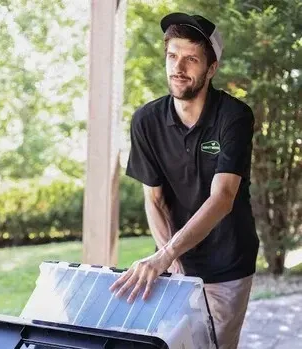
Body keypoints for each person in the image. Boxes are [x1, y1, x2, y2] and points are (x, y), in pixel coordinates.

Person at [109, 12, 259, 349]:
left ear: (212, 68)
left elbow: (223, 197)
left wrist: (163, 256)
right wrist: (171, 260)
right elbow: (155, 199)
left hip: (228, 262)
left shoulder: (234, 117)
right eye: (172, 56)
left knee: (213, 346)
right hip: (175, 260)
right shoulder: (146, 120)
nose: (179, 67)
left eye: (191, 58)